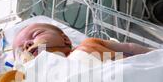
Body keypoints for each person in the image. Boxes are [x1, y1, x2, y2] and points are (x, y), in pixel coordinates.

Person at [13, 23, 153, 63]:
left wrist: (158, 54)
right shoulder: (48, 74)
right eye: (21, 49)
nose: (27, 45)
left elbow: (129, 48)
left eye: (36, 35)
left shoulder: (89, 43)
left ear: (65, 40)